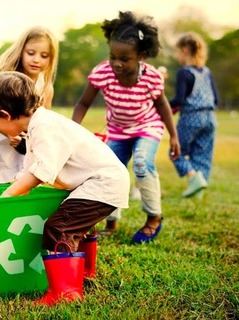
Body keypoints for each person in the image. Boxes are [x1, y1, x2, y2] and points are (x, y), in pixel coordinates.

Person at [0, 71, 129, 305]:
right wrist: (18, 185)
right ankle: (85, 274)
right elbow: (31, 167)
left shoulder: (44, 127)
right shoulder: (40, 123)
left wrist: (7, 195)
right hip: (100, 182)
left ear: (5, 115)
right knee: (77, 224)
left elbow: (39, 173)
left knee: (59, 228)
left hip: (102, 183)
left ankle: (66, 293)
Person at [72, 11, 181, 244]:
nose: (117, 63)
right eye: (113, 57)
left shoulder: (151, 77)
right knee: (110, 171)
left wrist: (174, 136)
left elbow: (162, 107)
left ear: (141, 56)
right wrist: (72, 132)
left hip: (147, 126)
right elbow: (83, 103)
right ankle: (111, 222)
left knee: (142, 163)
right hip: (118, 130)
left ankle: (154, 218)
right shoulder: (102, 73)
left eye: (124, 59)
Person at [0, 26, 59, 184]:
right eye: (31, 53)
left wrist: (29, 139)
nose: (36, 59)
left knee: (24, 182)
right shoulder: (5, 80)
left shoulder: (45, 86)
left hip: (24, 144)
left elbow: (44, 121)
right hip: (0, 141)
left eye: (44, 56)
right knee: (3, 183)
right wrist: (9, 134)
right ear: (21, 51)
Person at [170, 32, 218, 198]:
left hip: (191, 117)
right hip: (210, 118)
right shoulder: (207, 72)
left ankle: (193, 178)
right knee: (202, 154)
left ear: (184, 50)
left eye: (177, 52)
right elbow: (216, 99)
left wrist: (162, 106)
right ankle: (198, 191)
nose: (176, 56)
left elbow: (179, 99)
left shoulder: (184, 73)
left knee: (176, 152)